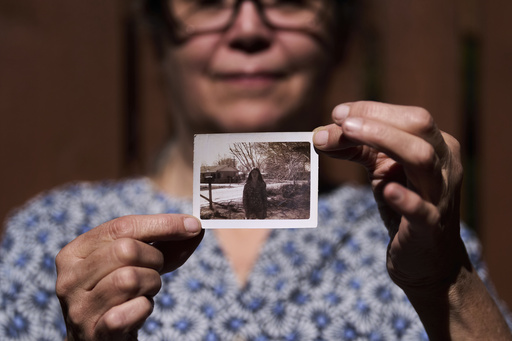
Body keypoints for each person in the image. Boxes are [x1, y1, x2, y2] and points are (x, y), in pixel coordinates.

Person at [1, 0, 511, 340]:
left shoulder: (420, 231)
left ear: (336, 34)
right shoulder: (48, 233)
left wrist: (447, 283)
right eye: (209, 0)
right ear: (160, 36)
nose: (249, 30)